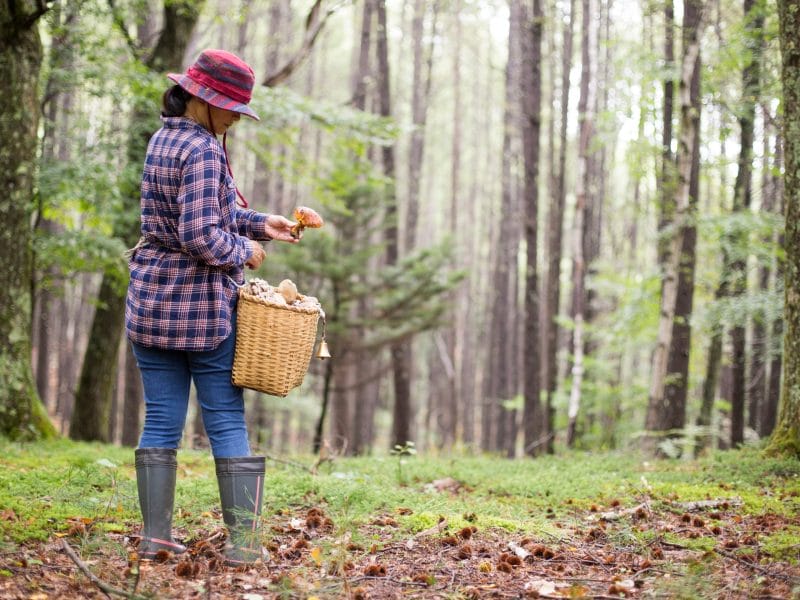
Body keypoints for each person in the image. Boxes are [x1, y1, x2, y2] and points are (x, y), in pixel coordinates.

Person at [125, 49, 297, 567]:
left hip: (152, 301)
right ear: (201, 99)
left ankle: (155, 538)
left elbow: (207, 211)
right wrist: (247, 250)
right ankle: (243, 546)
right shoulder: (201, 149)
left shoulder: (165, 138)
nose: (234, 120)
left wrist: (260, 221)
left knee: (160, 421)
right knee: (224, 419)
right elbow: (200, 233)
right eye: (229, 109)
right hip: (201, 308)